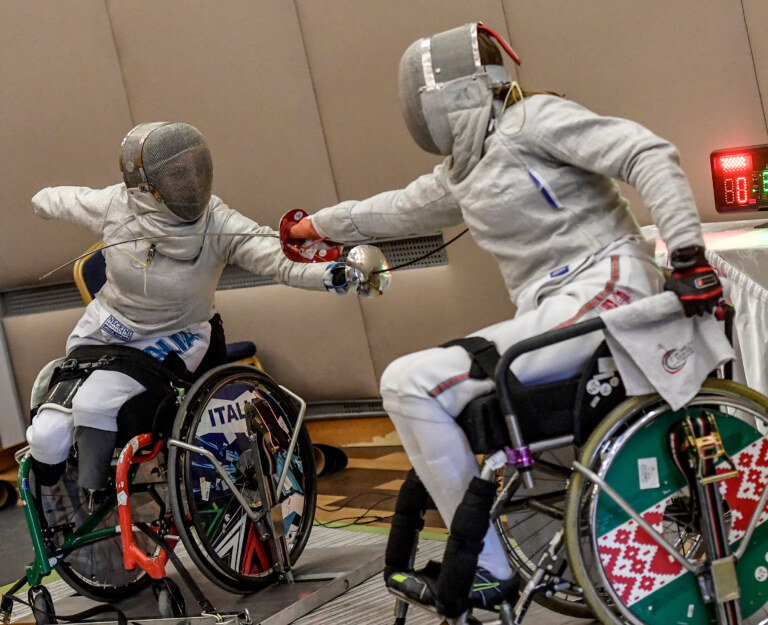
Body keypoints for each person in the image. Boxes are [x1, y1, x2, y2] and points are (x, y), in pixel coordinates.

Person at [287, 22, 723, 610]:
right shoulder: (464, 171)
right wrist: (317, 226)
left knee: (408, 382)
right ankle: (520, 554)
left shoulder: (534, 120)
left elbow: (646, 151)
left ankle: (489, 565)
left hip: (607, 292)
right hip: (557, 311)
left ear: (454, 96)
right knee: (440, 392)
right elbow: (390, 211)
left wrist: (688, 254)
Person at [27, 121, 349, 490]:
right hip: (104, 328)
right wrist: (41, 201)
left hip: (174, 337)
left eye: (195, 169)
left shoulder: (218, 222)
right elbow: (61, 199)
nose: (192, 183)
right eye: (177, 175)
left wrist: (329, 274)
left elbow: (270, 253)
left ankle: (96, 493)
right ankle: (60, 490)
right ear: (146, 185)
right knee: (47, 435)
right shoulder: (117, 204)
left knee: (94, 406)